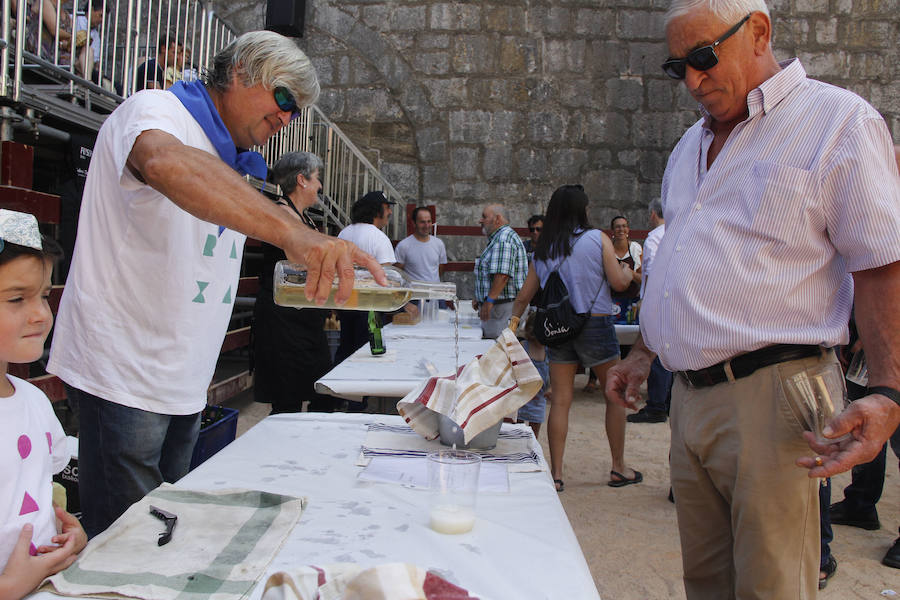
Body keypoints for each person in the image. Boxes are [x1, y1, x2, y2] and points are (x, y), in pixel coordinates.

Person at [605, 1, 900, 597]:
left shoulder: (836, 121)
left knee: (772, 586)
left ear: (759, 32)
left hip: (776, 394)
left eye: (704, 57)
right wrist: (645, 354)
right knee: (706, 583)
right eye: (678, 67)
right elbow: (682, 260)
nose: (692, 80)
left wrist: (889, 389)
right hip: (690, 399)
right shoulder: (689, 145)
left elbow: (881, 263)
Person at [48, 30, 384, 538]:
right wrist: (294, 234)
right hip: (124, 369)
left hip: (182, 377)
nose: (287, 117)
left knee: (163, 531)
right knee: (126, 539)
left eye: (296, 110)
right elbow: (164, 161)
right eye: (284, 97)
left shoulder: (228, 154)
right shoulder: (156, 109)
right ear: (242, 70)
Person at [510, 185, 638, 493]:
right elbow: (619, 283)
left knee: (561, 401)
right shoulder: (597, 239)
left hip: (559, 327)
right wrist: (625, 270)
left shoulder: (545, 248)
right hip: (596, 323)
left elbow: (525, 295)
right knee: (613, 394)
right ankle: (618, 466)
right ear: (581, 209)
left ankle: (556, 473)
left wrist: (512, 326)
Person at [0, 210, 87, 599]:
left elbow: (36, 492)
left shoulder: (35, 402)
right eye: (17, 298)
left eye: (44, 296)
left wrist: (64, 532)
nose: (40, 314)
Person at [252, 151, 335, 414]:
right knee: (287, 397)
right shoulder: (281, 212)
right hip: (282, 319)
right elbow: (302, 258)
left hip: (303, 317)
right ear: (302, 180)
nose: (319, 185)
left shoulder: (304, 217)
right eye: (317, 178)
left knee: (321, 390)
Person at [334, 190, 398, 366]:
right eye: (387, 208)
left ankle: (340, 381)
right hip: (371, 307)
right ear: (377, 210)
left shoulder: (343, 233)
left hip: (346, 301)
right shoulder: (379, 238)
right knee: (370, 354)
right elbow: (386, 277)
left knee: (346, 349)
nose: (390, 212)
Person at [627, 198, 672, 424]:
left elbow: (653, 271)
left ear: (652, 214)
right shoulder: (675, 230)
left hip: (657, 301)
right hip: (674, 301)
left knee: (654, 354)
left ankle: (656, 405)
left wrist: (649, 303)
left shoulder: (654, 237)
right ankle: (668, 401)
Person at [516, 213, 549, 436]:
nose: (536, 233)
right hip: (530, 304)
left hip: (545, 307)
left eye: (539, 229)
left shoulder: (550, 251)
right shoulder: (524, 249)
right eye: (533, 229)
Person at [473, 204, 527, 340]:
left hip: (502, 309)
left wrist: (489, 300)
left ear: (497, 219)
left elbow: (502, 275)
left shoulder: (503, 239)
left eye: (484, 217)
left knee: (499, 348)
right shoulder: (500, 238)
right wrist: (480, 297)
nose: (480, 220)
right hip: (501, 308)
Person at [394, 206, 447, 283]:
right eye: (422, 222)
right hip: (413, 290)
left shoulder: (439, 244)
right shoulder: (403, 246)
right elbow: (398, 272)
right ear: (414, 223)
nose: (426, 226)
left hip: (434, 289)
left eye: (429, 221)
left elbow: (441, 268)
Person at [609, 215, 642, 318]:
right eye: (617, 227)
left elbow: (643, 279)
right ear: (612, 230)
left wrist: (630, 273)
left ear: (628, 229)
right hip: (610, 302)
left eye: (624, 226)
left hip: (632, 303)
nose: (621, 229)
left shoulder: (635, 248)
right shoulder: (607, 250)